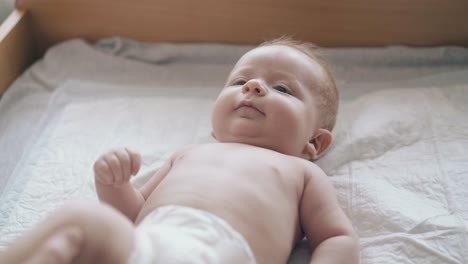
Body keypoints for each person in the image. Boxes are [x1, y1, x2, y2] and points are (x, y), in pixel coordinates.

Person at [0, 37, 359, 264]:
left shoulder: (302, 173)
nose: (253, 86)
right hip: (149, 246)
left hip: (219, 253)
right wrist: (113, 186)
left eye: (282, 88)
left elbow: (336, 237)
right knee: (84, 227)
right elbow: (134, 215)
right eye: (239, 81)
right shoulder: (189, 154)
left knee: (82, 222)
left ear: (314, 142)